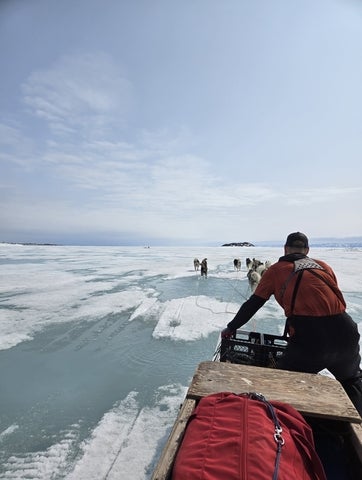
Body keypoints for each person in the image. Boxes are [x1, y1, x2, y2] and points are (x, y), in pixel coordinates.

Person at [221, 232, 362, 416]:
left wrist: (232, 327)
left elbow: (253, 303)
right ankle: (355, 434)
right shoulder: (323, 266)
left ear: (285, 249)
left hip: (310, 339)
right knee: (352, 381)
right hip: (346, 331)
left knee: (283, 382)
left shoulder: (276, 270)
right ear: (307, 250)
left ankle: (282, 425)